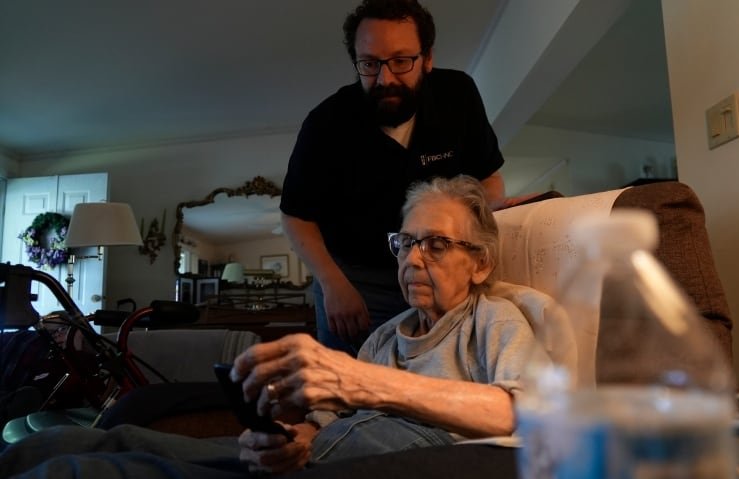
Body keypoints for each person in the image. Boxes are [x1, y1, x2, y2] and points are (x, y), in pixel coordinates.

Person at [0, 175, 552, 477]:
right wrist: (293, 440)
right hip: (316, 458)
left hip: (387, 464)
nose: (411, 259)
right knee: (76, 442)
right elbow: (323, 423)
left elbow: (525, 411)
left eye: (435, 244)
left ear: (480, 262)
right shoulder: (386, 335)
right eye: (405, 243)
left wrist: (363, 383)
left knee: (80, 473)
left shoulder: (493, 319)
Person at [280, 0, 506, 355]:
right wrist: (333, 284)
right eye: (369, 64)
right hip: (355, 278)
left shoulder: (458, 95)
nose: (385, 79)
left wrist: (479, 232)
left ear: (427, 57)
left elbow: (489, 179)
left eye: (401, 61)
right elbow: (295, 216)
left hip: (437, 265)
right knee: (349, 387)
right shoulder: (325, 124)